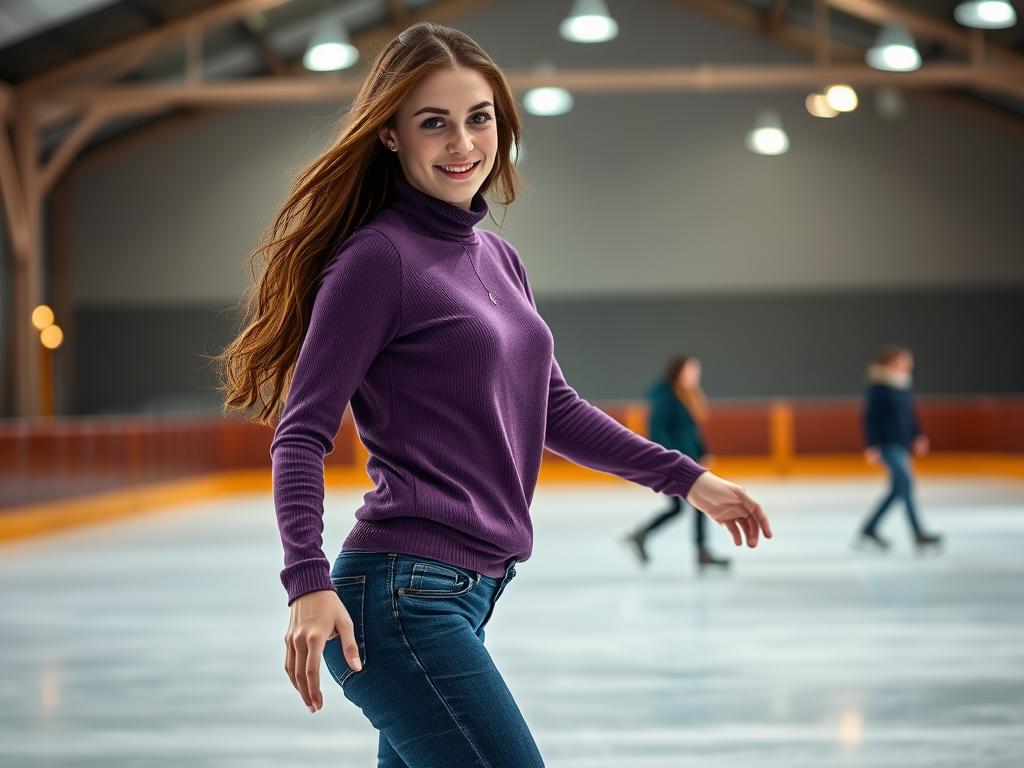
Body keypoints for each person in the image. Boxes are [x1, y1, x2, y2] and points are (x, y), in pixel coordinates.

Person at [216, 22, 772, 768]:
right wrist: (305, 582)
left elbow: (554, 408)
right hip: (401, 599)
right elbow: (302, 433)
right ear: (389, 135)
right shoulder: (378, 260)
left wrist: (688, 479)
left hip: (468, 592)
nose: (461, 143)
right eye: (433, 123)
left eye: (478, 119)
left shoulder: (497, 258)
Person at [624, 356, 730, 569]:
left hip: (688, 461)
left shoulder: (686, 397)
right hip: (674, 464)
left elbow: (690, 431)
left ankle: (642, 535)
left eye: (696, 371)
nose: (694, 375)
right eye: (690, 371)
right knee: (697, 504)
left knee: (681, 507)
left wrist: (702, 452)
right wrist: (671, 459)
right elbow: (657, 430)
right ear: (677, 372)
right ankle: (701, 551)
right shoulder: (666, 397)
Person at [855, 344, 943, 552]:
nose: (906, 366)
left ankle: (869, 528)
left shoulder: (902, 385)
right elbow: (870, 418)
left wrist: (917, 435)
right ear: (889, 363)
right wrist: (872, 445)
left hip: (902, 443)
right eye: (902, 362)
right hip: (887, 444)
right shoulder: (878, 387)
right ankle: (918, 533)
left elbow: (909, 415)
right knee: (906, 484)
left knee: (897, 490)